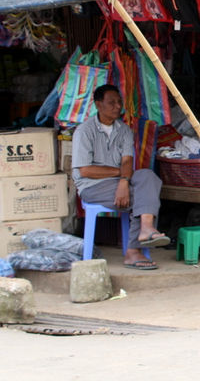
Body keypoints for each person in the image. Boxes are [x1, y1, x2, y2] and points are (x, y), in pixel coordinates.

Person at [72, 84, 169, 270]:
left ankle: (146, 228)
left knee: (148, 176)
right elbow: (85, 171)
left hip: (119, 181)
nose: (117, 107)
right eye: (111, 103)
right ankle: (133, 251)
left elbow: (127, 161)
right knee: (141, 197)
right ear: (98, 105)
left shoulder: (123, 130)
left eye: (119, 102)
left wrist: (124, 180)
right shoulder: (84, 131)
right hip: (92, 186)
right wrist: (121, 175)